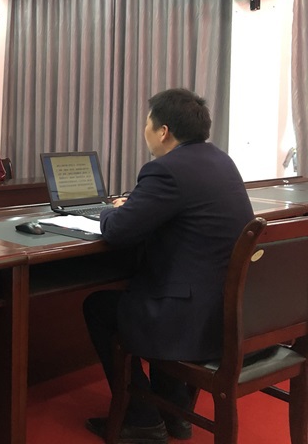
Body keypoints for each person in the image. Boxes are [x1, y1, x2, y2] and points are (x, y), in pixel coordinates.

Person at [82, 89, 254, 444]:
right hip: (226, 314)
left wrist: (110, 210)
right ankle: (175, 412)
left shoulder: (166, 170)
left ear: (163, 131)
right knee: (157, 287)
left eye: (147, 123)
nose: (144, 130)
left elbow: (117, 231)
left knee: (98, 306)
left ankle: (142, 418)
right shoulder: (222, 161)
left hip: (188, 320)